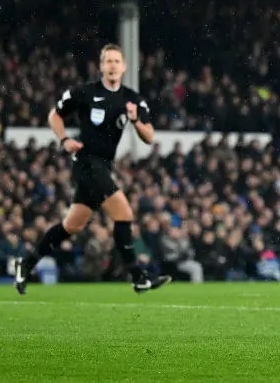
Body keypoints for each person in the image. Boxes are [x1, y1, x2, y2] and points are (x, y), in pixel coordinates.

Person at [13, 44, 171, 294]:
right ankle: (138, 277)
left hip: (104, 166)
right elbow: (55, 115)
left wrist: (136, 120)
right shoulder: (84, 92)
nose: (112, 65)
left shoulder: (132, 99)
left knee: (72, 226)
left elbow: (150, 136)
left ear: (124, 67)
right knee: (124, 214)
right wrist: (64, 140)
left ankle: (26, 263)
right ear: (101, 66)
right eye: (107, 61)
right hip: (86, 163)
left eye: (116, 61)